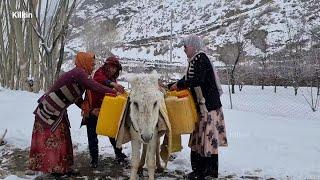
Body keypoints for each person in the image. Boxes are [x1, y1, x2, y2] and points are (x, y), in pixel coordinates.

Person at [29, 52, 122, 177]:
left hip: (59, 110)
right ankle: (56, 170)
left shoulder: (80, 75)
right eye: (92, 63)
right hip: (51, 108)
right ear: (85, 62)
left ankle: (64, 168)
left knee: (64, 138)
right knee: (54, 140)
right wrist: (113, 91)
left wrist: (87, 108)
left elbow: (75, 98)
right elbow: (94, 86)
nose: (93, 66)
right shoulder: (79, 73)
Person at [169, 35, 228, 179]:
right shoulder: (195, 60)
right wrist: (172, 85)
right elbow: (189, 79)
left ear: (193, 46)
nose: (184, 49)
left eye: (185, 46)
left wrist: (180, 85)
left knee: (207, 139)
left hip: (208, 107)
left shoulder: (201, 58)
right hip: (203, 107)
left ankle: (205, 172)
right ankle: (202, 171)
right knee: (200, 139)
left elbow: (197, 80)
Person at [81, 56, 127, 168]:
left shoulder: (113, 79)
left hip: (106, 111)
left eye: (115, 68)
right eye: (111, 67)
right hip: (93, 110)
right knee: (92, 137)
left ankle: (119, 154)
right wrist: (114, 85)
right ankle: (94, 159)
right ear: (106, 66)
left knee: (113, 135)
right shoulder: (99, 73)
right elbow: (99, 81)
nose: (112, 69)